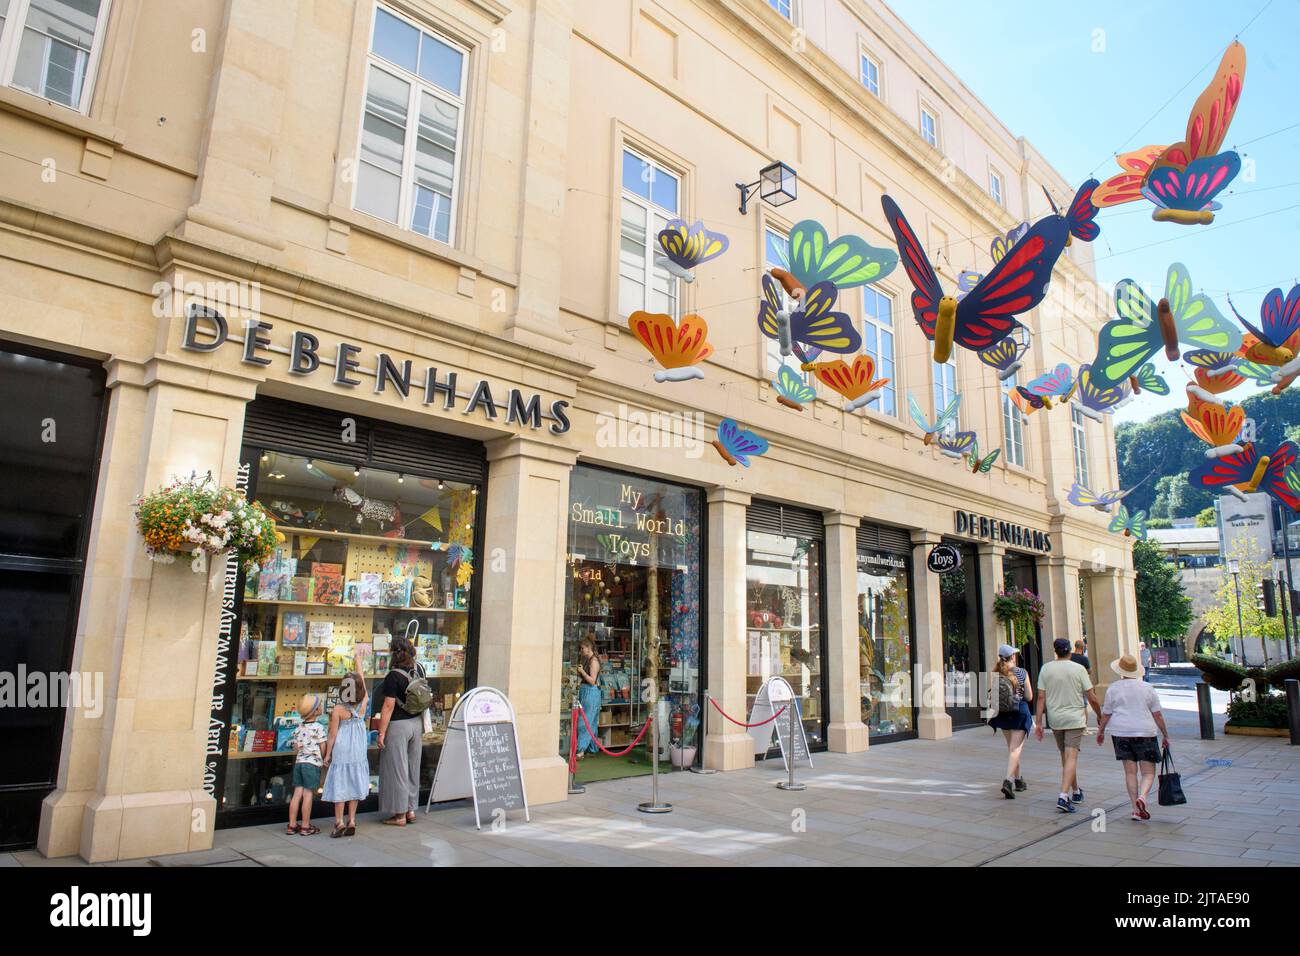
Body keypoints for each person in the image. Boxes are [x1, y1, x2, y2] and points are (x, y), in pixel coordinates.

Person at [1097, 653, 1171, 821]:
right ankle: (1143, 797)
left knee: (1130, 772)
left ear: (1120, 670)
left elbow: (1106, 713)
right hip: (1145, 732)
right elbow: (1157, 714)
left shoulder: (1113, 688)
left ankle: (1134, 808)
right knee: (1148, 772)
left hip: (1121, 733)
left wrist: (1100, 731)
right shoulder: (1147, 688)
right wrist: (1165, 735)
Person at [1035, 637, 1102, 813]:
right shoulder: (1079, 669)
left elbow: (1041, 696)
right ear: (1070, 651)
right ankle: (1063, 796)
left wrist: (1039, 723)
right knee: (1071, 757)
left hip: (1055, 719)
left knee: (1066, 757)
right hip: (1074, 718)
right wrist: (1100, 716)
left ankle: (1076, 791)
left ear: (1055, 651)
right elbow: (1092, 696)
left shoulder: (1046, 668)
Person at [376, 635, 425, 826]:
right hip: (416, 723)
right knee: (413, 767)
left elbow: (388, 706)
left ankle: (399, 814)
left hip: (398, 725)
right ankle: (411, 809)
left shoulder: (393, 676)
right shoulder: (419, 669)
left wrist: (381, 733)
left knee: (397, 769)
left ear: (394, 653)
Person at [323, 658, 369, 838]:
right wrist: (359, 663)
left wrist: (327, 754)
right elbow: (362, 682)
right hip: (358, 748)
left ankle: (339, 822)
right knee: (354, 782)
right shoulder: (363, 703)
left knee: (341, 783)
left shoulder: (338, 710)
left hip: (342, 748)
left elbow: (332, 735)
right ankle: (352, 820)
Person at [987, 643, 1033, 799]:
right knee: (1015, 749)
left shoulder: (995, 673)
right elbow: (1029, 696)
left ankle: (1019, 780)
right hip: (1019, 712)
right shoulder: (1022, 672)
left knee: (1012, 749)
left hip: (1003, 714)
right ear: (1013, 656)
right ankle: (1008, 781)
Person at [287, 694, 326, 836]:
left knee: (297, 793)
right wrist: (325, 757)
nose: (322, 707)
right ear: (315, 711)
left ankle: (291, 825)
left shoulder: (299, 727)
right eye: (320, 705)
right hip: (312, 764)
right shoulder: (319, 728)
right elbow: (322, 746)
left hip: (299, 763)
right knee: (308, 794)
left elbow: (296, 747)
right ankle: (305, 825)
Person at [573, 635, 602, 759]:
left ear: (589, 648)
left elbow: (592, 680)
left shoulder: (593, 661)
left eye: (583, 648)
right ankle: (592, 748)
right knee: (591, 722)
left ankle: (581, 750)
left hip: (590, 693)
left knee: (584, 722)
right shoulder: (588, 659)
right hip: (588, 692)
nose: (581, 651)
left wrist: (582, 672)